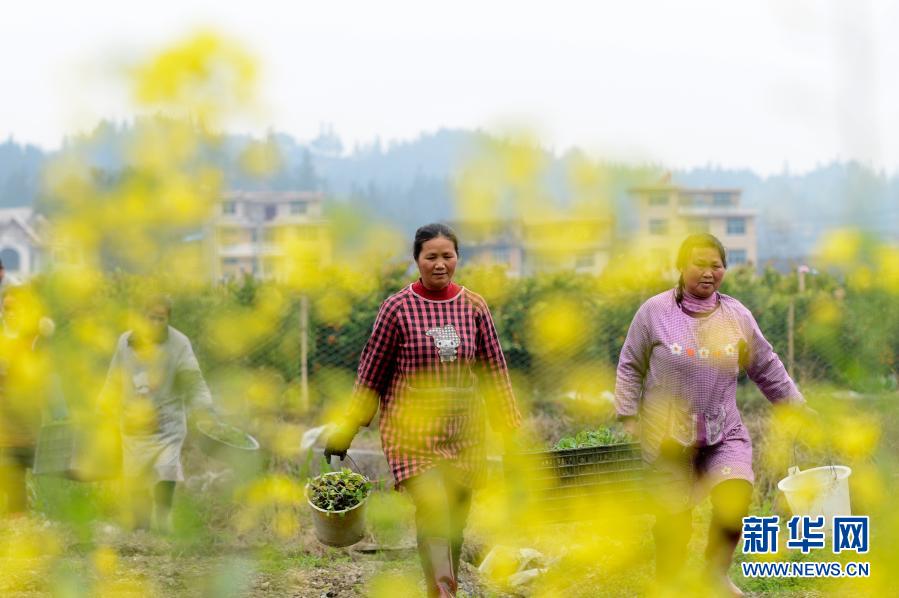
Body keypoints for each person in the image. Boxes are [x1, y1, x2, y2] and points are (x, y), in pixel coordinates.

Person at [325, 223, 522, 597]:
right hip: (412, 432)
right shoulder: (397, 308)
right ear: (417, 260)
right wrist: (347, 428)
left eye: (448, 256)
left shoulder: (474, 306)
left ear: (457, 258)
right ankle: (443, 593)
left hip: (464, 432)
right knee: (434, 508)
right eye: (431, 257)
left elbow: (494, 370)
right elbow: (371, 372)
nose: (440, 264)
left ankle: (444, 589)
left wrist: (509, 429)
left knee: (455, 519)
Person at [614, 233, 807, 596]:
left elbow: (766, 365)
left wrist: (795, 407)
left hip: (722, 429)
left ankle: (715, 574)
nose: (708, 272)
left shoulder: (736, 316)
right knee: (674, 518)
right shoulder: (654, 312)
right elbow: (630, 365)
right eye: (699, 264)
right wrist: (628, 416)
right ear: (681, 266)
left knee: (736, 492)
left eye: (716, 265)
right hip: (667, 435)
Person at [99, 294, 216, 533]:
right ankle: (140, 528)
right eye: (151, 318)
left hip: (167, 424)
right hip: (134, 424)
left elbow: (193, 379)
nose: (155, 323)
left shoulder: (179, 344)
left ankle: (163, 521)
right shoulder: (125, 343)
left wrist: (204, 407)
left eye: (161, 319)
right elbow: (114, 378)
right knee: (136, 476)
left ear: (168, 319)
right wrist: (104, 406)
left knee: (166, 469)